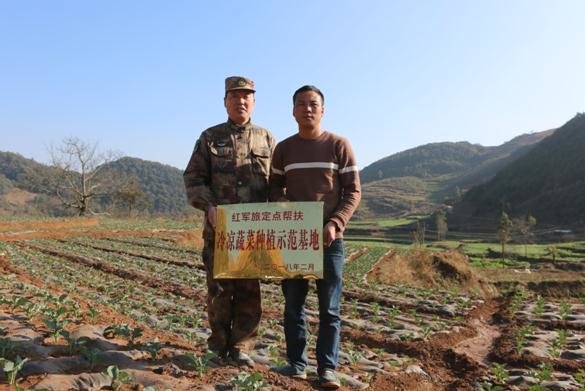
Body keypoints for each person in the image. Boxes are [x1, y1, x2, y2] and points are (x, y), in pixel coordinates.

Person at [269, 85, 361, 388]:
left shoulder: (339, 145)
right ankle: (296, 365)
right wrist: (286, 213)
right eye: (301, 104)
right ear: (293, 110)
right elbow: (274, 189)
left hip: (330, 240)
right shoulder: (283, 149)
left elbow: (353, 192)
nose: (307, 109)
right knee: (293, 304)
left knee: (329, 309)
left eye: (313, 104)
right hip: (295, 240)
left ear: (323, 110)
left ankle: (327, 369)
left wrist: (335, 223)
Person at [183, 76, 275, 367]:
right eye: (235, 96)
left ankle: (242, 347)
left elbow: (278, 185)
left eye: (247, 96)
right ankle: (218, 345)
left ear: (254, 102)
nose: (241, 101)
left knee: (249, 291)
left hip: (253, 234)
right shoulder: (210, 137)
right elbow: (193, 178)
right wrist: (208, 206)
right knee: (219, 290)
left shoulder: (267, 139)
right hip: (220, 231)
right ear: (225, 102)